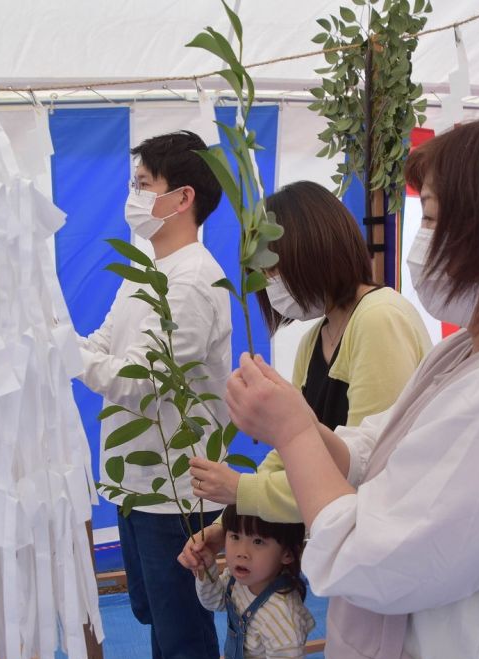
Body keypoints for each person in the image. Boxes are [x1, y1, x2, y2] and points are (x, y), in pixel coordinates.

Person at [224, 113, 479, 659]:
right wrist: (300, 425)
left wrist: (290, 431)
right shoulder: (477, 350)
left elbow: (366, 559)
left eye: (430, 218)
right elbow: (384, 445)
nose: (421, 243)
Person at [185, 180, 431, 523]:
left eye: (272, 269)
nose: (269, 284)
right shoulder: (315, 338)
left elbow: (369, 467)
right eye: (261, 274)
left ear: (313, 249)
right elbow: (291, 450)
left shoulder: (378, 319)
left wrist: (243, 490)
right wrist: (228, 521)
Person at [77, 130, 230, 659]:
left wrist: (72, 359)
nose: (133, 198)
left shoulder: (191, 282)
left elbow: (145, 382)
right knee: (158, 622)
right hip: (136, 484)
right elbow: (106, 343)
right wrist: (54, 342)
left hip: (174, 493)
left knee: (183, 636)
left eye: (144, 185)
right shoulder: (147, 268)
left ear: (183, 197)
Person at [192, 505, 314, 659]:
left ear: (288, 554)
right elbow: (214, 602)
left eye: (258, 541)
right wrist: (206, 570)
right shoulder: (237, 580)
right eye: (235, 536)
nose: (242, 552)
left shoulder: (281, 617)